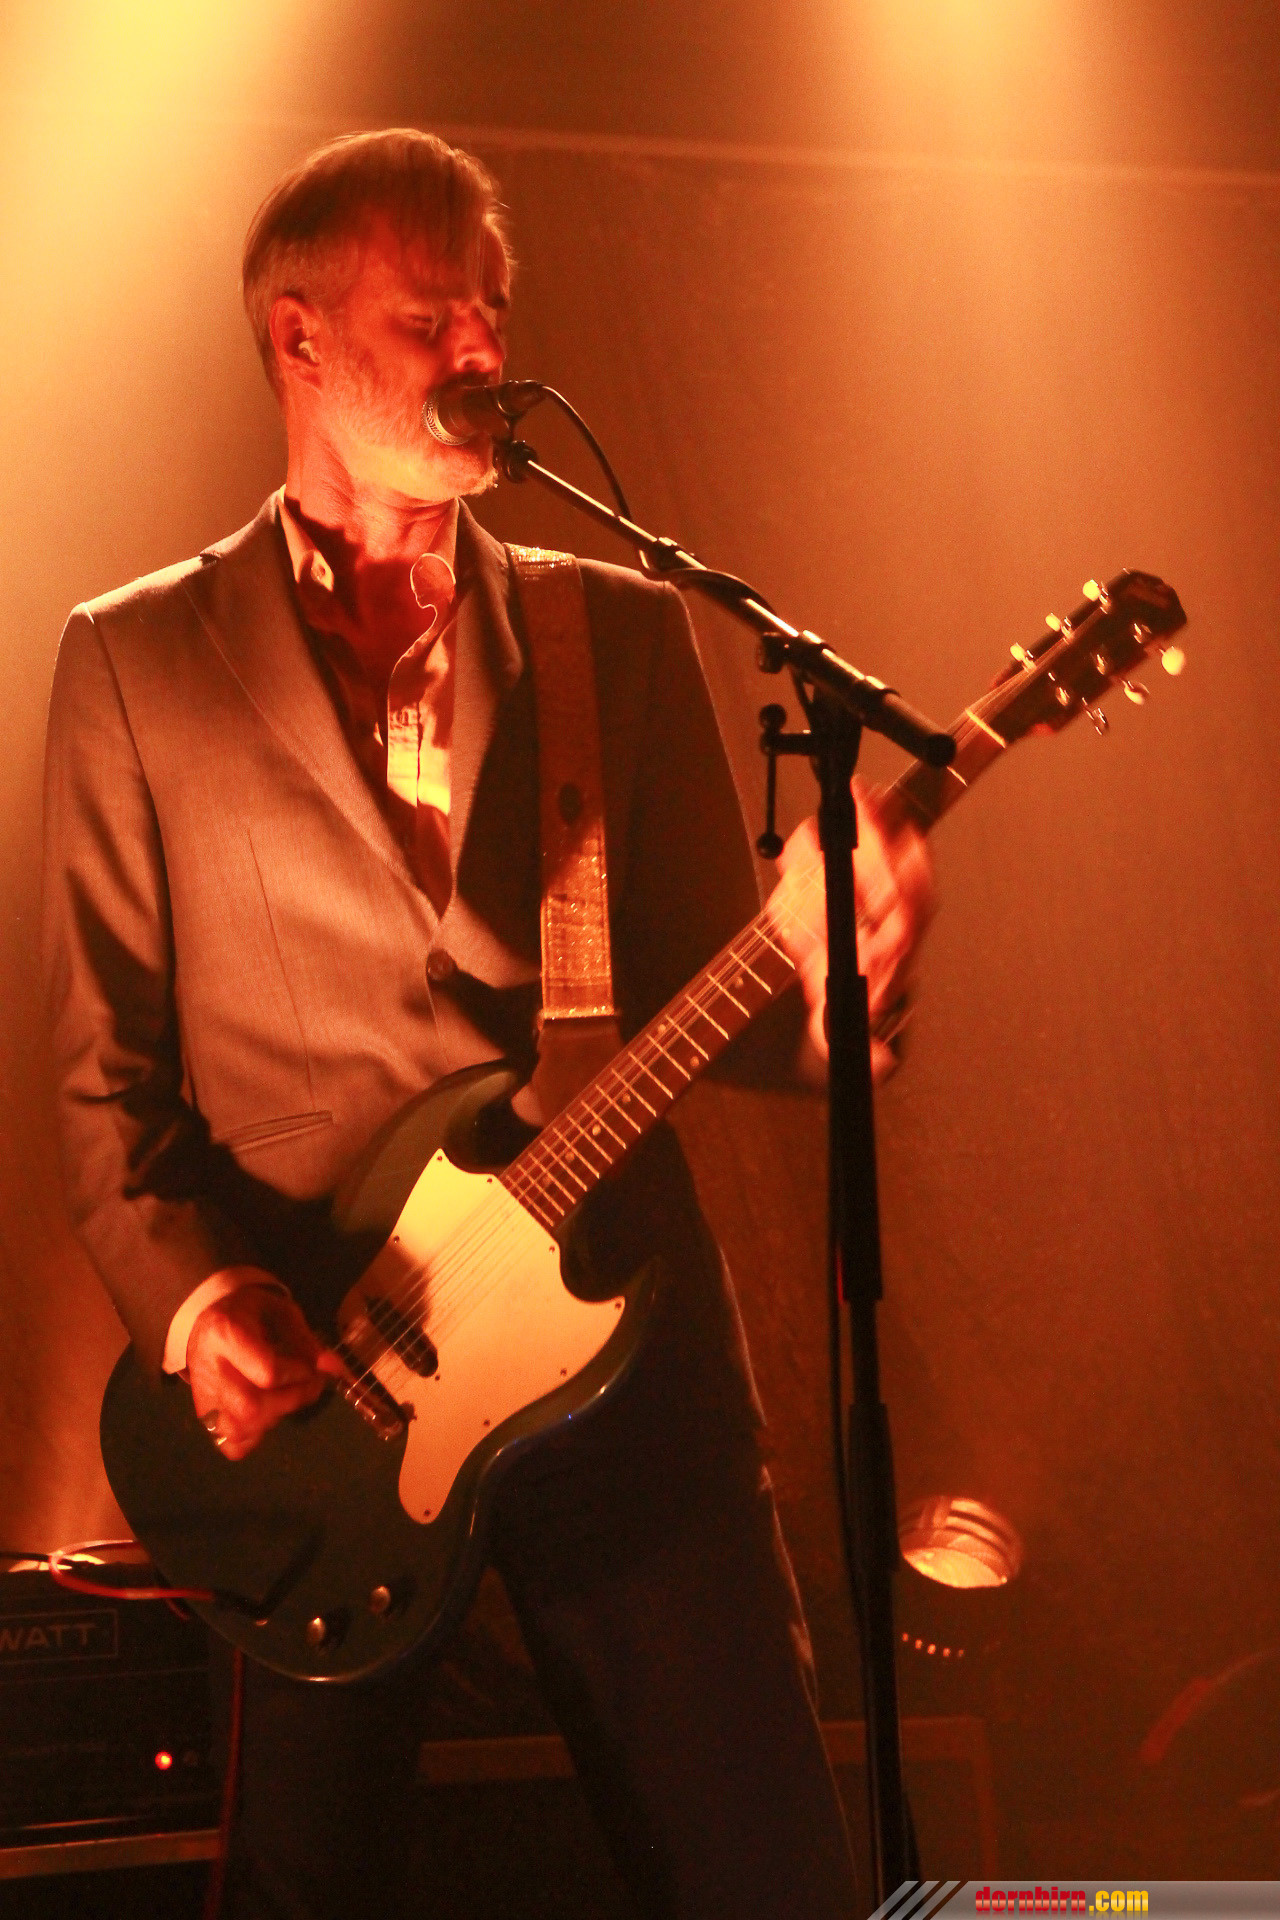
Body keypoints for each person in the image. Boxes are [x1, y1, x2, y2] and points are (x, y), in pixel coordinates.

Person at [42, 129, 933, 1919]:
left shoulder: (618, 632)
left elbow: (735, 1011)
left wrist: (849, 968)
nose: (481, 349)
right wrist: (202, 1305)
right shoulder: (135, 660)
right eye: (428, 314)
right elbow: (101, 1082)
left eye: (494, 311)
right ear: (297, 338)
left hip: (629, 1367)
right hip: (329, 1401)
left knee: (763, 1869)